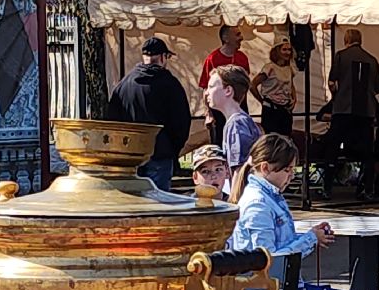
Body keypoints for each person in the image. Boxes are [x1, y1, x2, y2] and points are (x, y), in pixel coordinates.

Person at [227, 134, 367, 290]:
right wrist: (311, 239)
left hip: (283, 287)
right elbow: (269, 258)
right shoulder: (257, 203)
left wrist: (310, 236)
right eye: (287, 170)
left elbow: (280, 244)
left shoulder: (269, 195)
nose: (292, 176)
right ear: (265, 168)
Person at [105, 35, 192, 190]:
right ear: (163, 57)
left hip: (131, 155)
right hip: (160, 154)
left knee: (134, 204)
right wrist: (173, 149)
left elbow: (112, 120)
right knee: (159, 205)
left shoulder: (124, 85)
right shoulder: (170, 85)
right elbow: (181, 121)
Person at [318, 28, 379, 200]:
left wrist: (337, 95)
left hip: (343, 110)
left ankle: (327, 189)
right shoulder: (372, 60)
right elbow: (378, 88)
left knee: (332, 148)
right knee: (368, 153)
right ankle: (368, 189)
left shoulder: (340, 56)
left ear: (346, 39)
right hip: (365, 112)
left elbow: (332, 81)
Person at [207, 64, 262, 180]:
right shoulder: (240, 121)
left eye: (211, 87)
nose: (207, 92)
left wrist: (234, 198)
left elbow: (239, 170)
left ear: (228, 91)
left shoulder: (237, 124)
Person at [199, 24, 249, 144]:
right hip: (219, 111)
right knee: (220, 144)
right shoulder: (213, 59)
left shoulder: (242, 58)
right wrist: (208, 114)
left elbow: (246, 85)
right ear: (226, 38)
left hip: (239, 108)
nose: (241, 38)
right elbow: (206, 88)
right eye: (237, 34)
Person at [253, 39, 297, 136]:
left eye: (289, 50)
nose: (287, 53)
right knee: (272, 138)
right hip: (271, 110)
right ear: (277, 51)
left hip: (285, 109)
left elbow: (291, 85)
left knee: (286, 137)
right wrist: (262, 101)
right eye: (284, 50)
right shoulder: (269, 68)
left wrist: (294, 99)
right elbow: (253, 85)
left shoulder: (289, 69)